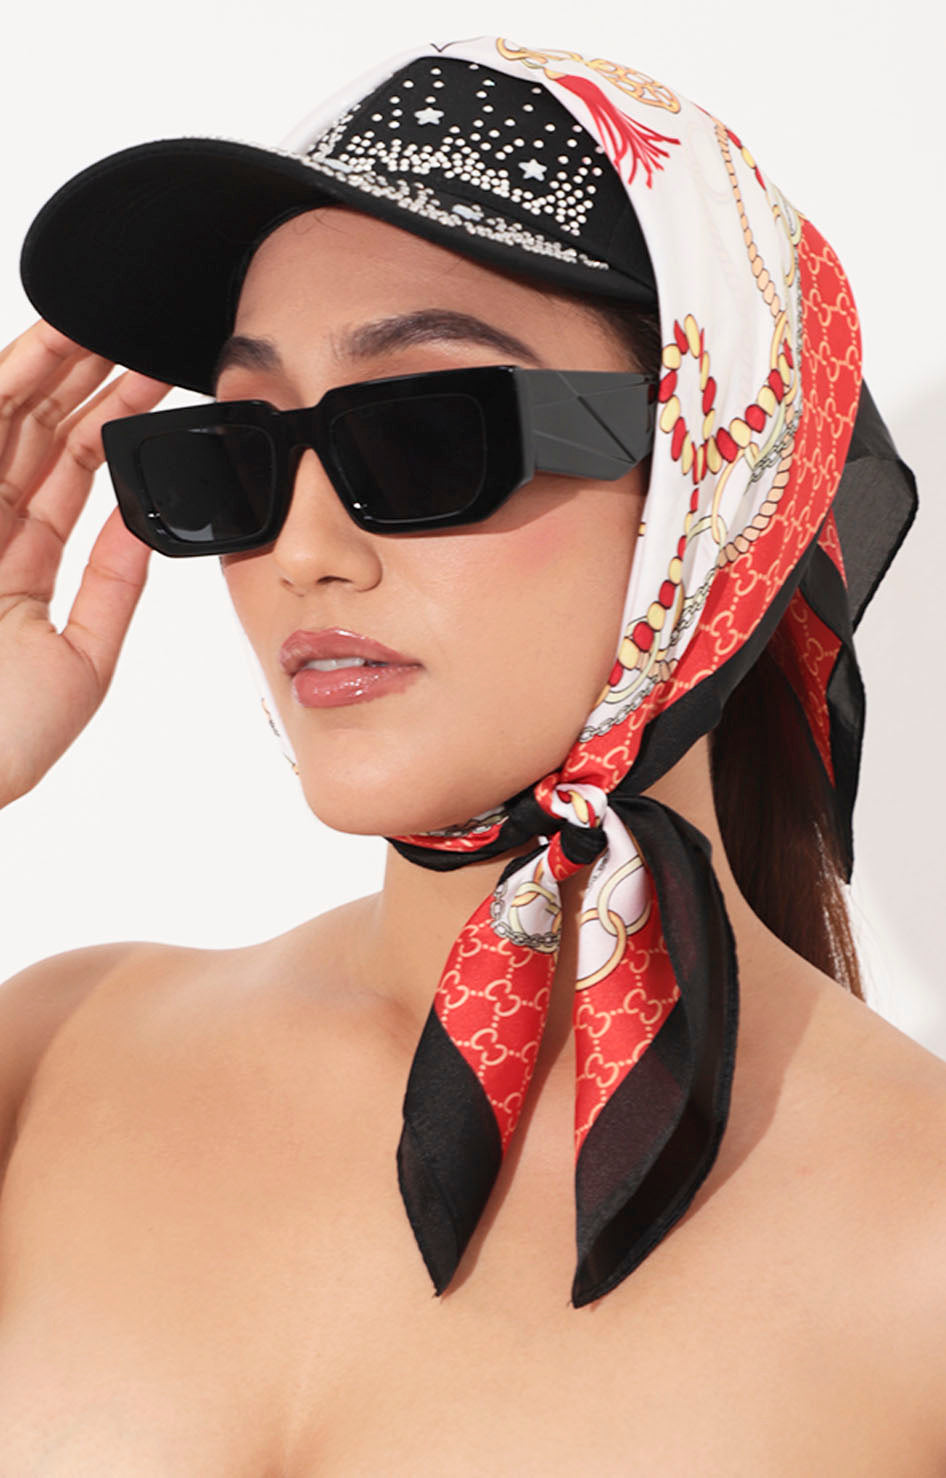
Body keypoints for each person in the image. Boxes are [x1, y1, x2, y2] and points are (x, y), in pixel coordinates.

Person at [1, 31, 944, 1473]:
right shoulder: (54, 1053)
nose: (303, 552)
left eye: (427, 434)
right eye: (235, 451)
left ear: (710, 476)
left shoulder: (919, 1242)